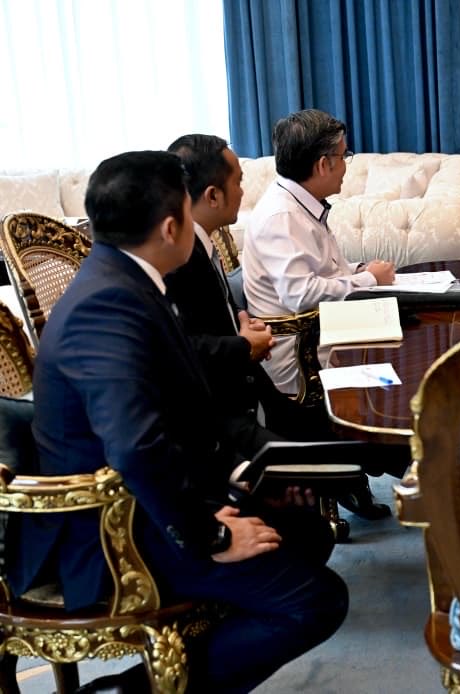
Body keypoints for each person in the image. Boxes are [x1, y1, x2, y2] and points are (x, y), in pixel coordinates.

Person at [17, 151, 348, 692]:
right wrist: (214, 532)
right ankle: (133, 691)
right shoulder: (106, 306)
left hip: (154, 497)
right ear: (172, 227)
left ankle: (167, 675)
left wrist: (237, 482)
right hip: (111, 529)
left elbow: (174, 416)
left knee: (306, 532)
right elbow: (135, 447)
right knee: (317, 600)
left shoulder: (128, 278)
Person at [165, 134, 395, 522]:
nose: (244, 190)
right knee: (390, 405)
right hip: (268, 376)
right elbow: (183, 346)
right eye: (237, 181)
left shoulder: (201, 242)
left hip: (260, 364)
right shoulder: (184, 255)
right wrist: (241, 342)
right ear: (212, 195)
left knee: (395, 370)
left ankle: (377, 469)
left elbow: (216, 314)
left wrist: (239, 321)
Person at [242, 109, 395, 395]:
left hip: (328, 332)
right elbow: (300, 294)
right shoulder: (282, 216)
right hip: (305, 357)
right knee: (401, 372)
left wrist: (359, 269)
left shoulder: (300, 203)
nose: (347, 165)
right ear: (324, 164)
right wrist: (370, 280)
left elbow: (323, 268)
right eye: (344, 156)